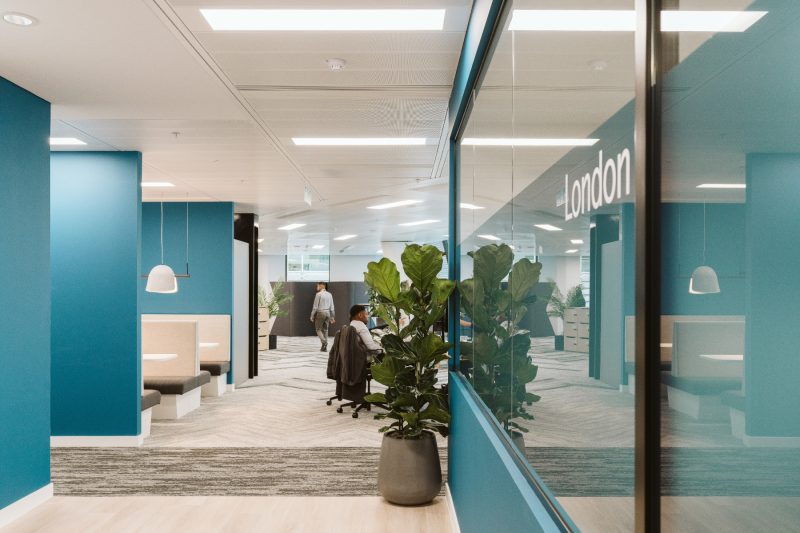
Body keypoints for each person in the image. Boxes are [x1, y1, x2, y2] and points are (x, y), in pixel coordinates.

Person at [310, 282, 335, 351]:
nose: (317, 287)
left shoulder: (318, 294)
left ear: (321, 286)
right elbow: (332, 307)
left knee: (318, 329)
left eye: (317, 286)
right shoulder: (330, 294)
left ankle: (324, 342)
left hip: (320, 313)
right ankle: (324, 348)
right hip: (328, 313)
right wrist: (332, 317)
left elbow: (315, 307)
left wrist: (312, 315)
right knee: (325, 330)